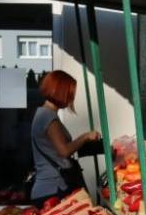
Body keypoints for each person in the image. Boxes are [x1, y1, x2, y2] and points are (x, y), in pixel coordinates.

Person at [30, 70, 101, 206]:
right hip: (54, 189)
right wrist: (85, 136)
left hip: (48, 188)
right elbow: (64, 151)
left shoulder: (43, 113)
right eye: (70, 93)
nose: (71, 98)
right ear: (60, 92)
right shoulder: (48, 117)